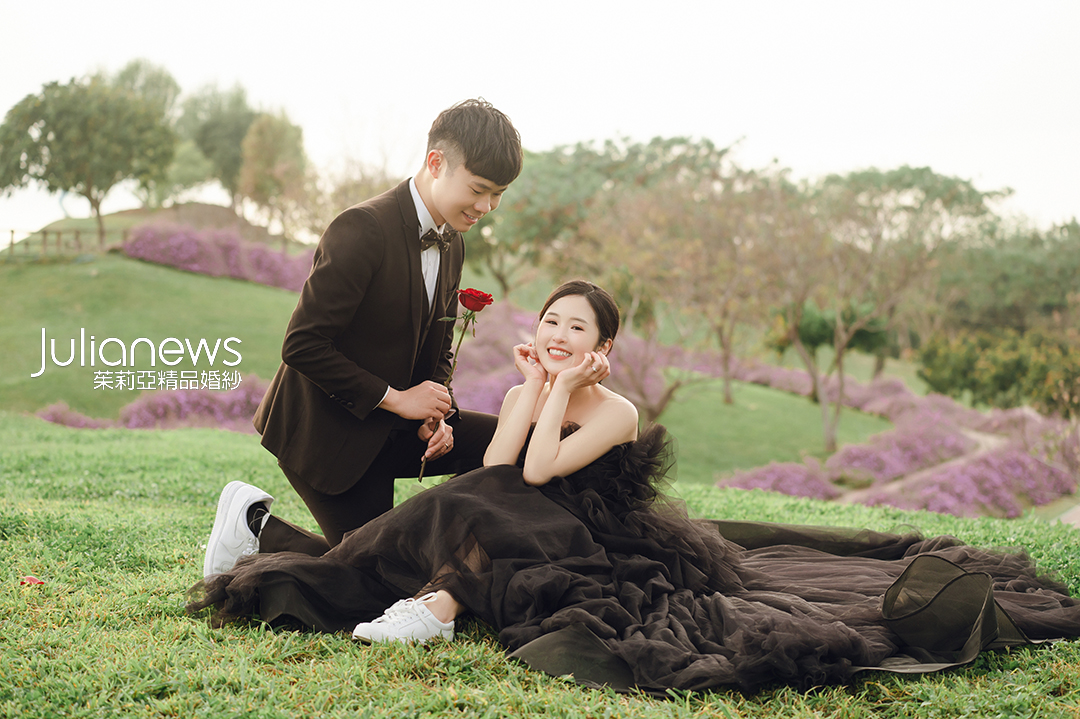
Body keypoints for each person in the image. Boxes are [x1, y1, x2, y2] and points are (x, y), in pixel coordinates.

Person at [190, 281, 1080, 694]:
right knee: (461, 502)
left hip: (600, 539)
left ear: (604, 345)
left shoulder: (615, 408)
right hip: (524, 519)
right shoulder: (532, 384)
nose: (557, 334)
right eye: (550, 321)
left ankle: (309, 560)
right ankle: (306, 558)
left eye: (576, 329)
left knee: (470, 506)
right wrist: (532, 385)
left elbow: (539, 472)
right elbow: (501, 469)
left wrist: (559, 390)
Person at [202, 99, 523, 577]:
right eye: (479, 190)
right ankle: (256, 530)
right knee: (380, 580)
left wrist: (436, 412)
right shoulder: (362, 228)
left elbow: (438, 345)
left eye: (498, 194)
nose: (486, 207)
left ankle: (477, 554)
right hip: (330, 434)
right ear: (436, 163)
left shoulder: (452, 241)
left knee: (512, 441)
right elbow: (302, 345)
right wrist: (398, 400)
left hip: (395, 425)